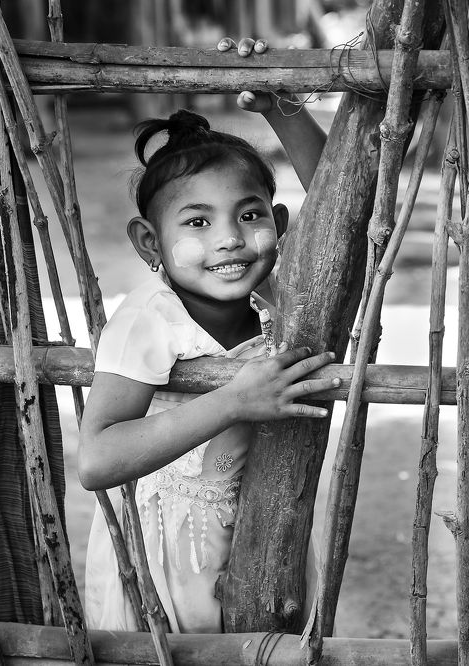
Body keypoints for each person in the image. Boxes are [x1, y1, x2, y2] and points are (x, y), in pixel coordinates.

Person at [79, 38, 334, 633]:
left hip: (258, 539)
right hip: (165, 559)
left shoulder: (272, 295)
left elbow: (343, 202)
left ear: (280, 224)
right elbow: (97, 458)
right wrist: (232, 402)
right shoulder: (149, 319)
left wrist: (280, 108)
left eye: (250, 216)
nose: (230, 239)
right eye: (198, 222)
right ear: (150, 243)